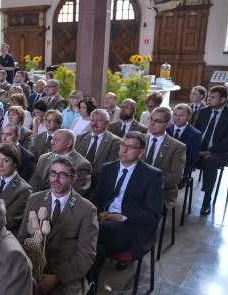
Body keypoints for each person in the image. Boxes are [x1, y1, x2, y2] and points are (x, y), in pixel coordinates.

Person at [18, 155, 98, 295]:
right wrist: (31, 268)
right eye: (53, 173)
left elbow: (86, 255)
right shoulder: (35, 200)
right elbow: (22, 237)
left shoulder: (86, 210)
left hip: (63, 276)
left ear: (73, 179)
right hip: (34, 269)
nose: (56, 179)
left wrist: (56, 277)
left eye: (62, 175)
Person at [91, 132, 164, 285]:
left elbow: (152, 215)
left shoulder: (153, 175)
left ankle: (82, 293)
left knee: (91, 233)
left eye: (130, 147)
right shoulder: (108, 168)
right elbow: (97, 200)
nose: (124, 150)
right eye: (123, 145)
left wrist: (120, 216)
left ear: (141, 151)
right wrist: (98, 214)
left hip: (131, 227)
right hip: (104, 223)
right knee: (97, 247)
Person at [193, 85, 228, 215]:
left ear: (223, 100)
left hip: (223, 150)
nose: (209, 99)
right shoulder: (203, 111)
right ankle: (177, 186)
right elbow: (195, 131)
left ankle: (206, 200)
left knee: (209, 160)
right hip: (202, 147)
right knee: (181, 153)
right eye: (208, 96)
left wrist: (207, 151)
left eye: (213, 97)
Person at [142, 106, 186, 213]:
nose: (152, 124)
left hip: (161, 191)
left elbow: (175, 176)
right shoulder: (138, 140)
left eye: (157, 121)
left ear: (167, 124)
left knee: (144, 212)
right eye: (151, 119)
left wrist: (150, 185)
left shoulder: (177, 147)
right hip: (134, 187)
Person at [30, 128, 91, 196]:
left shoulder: (82, 165)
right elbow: (33, 182)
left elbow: (72, 192)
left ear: (68, 143)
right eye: (52, 139)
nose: (52, 142)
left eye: (57, 140)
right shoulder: (43, 158)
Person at [74, 109, 122, 189]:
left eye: (99, 121)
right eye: (92, 120)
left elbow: (110, 164)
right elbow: (73, 158)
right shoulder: (80, 138)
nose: (94, 123)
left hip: (99, 183)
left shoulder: (115, 142)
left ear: (107, 123)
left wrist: (86, 176)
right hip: (76, 180)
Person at [167, 103, 202, 179]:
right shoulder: (166, 129)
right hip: (163, 164)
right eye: (175, 115)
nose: (177, 118)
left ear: (189, 116)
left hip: (182, 168)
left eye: (181, 115)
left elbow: (191, 158)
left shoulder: (196, 134)